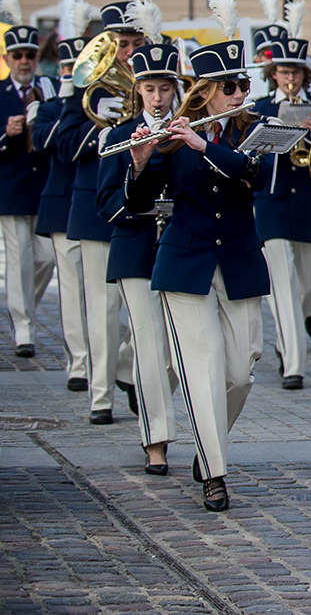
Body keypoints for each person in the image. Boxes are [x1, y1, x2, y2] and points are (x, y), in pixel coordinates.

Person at [124, 25, 271, 512]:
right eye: (229, 87)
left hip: (239, 258)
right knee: (202, 365)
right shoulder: (170, 135)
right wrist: (142, 163)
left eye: (242, 85)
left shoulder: (257, 129)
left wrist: (205, 146)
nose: (238, 93)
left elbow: (256, 174)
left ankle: (211, 446)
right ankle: (214, 470)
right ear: (205, 92)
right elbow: (139, 203)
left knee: (241, 372)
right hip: (185, 259)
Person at [56, 0, 145, 425]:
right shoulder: (86, 85)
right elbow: (63, 145)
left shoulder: (153, 82)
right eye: (119, 43)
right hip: (94, 204)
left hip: (141, 204)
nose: (126, 51)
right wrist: (99, 127)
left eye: (133, 42)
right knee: (103, 305)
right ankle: (100, 394)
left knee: (145, 304)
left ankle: (126, 367)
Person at [96, 39, 182, 475]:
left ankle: (152, 405)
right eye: (149, 89)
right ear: (138, 89)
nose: (157, 97)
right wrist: (138, 171)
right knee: (149, 348)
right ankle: (156, 440)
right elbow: (106, 203)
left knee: (171, 357)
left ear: (175, 89)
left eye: (165, 89)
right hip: (135, 250)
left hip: (181, 249)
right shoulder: (117, 134)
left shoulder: (188, 132)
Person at [252, 32, 311, 390]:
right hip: (271, 199)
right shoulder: (258, 108)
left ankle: (309, 309)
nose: (290, 79)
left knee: (305, 284)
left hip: (309, 199)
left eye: (296, 73)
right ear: (273, 73)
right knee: (282, 285)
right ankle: (293, 364)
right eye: (284, 72)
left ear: (305, 75)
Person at [32, 34, 88, 389]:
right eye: (66, 67)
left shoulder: (98, 102)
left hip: (93, 207)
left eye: (75, 68)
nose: (68, 73)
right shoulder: (51, 107)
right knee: (71, 291)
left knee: (103, 293)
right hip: (61, 208)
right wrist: (72, 105)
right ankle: (80, 364)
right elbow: (50, 143)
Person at [0, 15, 58, 359]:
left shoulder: (48, 87)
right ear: (7, 58)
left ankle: (23, 310)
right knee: (18, 259)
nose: (24, 61)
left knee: (46, 259)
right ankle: (23, 327)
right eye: (18, 55)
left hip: (43, 186)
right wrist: (5, 135)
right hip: (11, 189)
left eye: (30, 55)